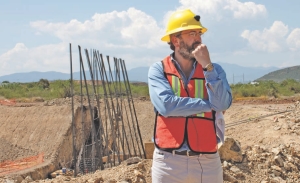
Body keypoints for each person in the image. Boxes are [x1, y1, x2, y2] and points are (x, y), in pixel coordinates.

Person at [148, 9, 232, 183]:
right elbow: (167, 106)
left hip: (207, 161)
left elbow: (222, 104)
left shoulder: (215, 70)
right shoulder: (158, 70)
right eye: (192, 33)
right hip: (168, 161)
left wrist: (207, 66)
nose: (198, 39)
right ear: (175, 40)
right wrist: (209, 104)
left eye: (199, 33)